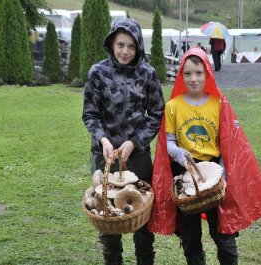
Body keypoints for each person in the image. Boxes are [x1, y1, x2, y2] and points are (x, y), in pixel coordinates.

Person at [148, 48, 261, 265]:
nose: (193, 78)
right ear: (181, 75)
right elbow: (169, 143)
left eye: (198, 72)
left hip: (215, 172)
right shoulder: (173, 106)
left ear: (208, 73)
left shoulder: (218, 104)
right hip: (186, 175)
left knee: (223, 233)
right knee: (190, 236)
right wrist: (182, 156)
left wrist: (223, 176)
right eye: (187, 73)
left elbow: (228, 145)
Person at [82, 18, 165, 265]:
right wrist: (103, 140)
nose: (125, 51)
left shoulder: (148, 74)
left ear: (138, 47)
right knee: (107, 216)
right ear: (111, 44)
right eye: (120, 45)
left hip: (137, 158)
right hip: (104, 156)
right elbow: (90, 114)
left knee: (141, 218)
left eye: (131, 46)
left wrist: (135, 142)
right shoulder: (97, 73)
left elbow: (157, 114)